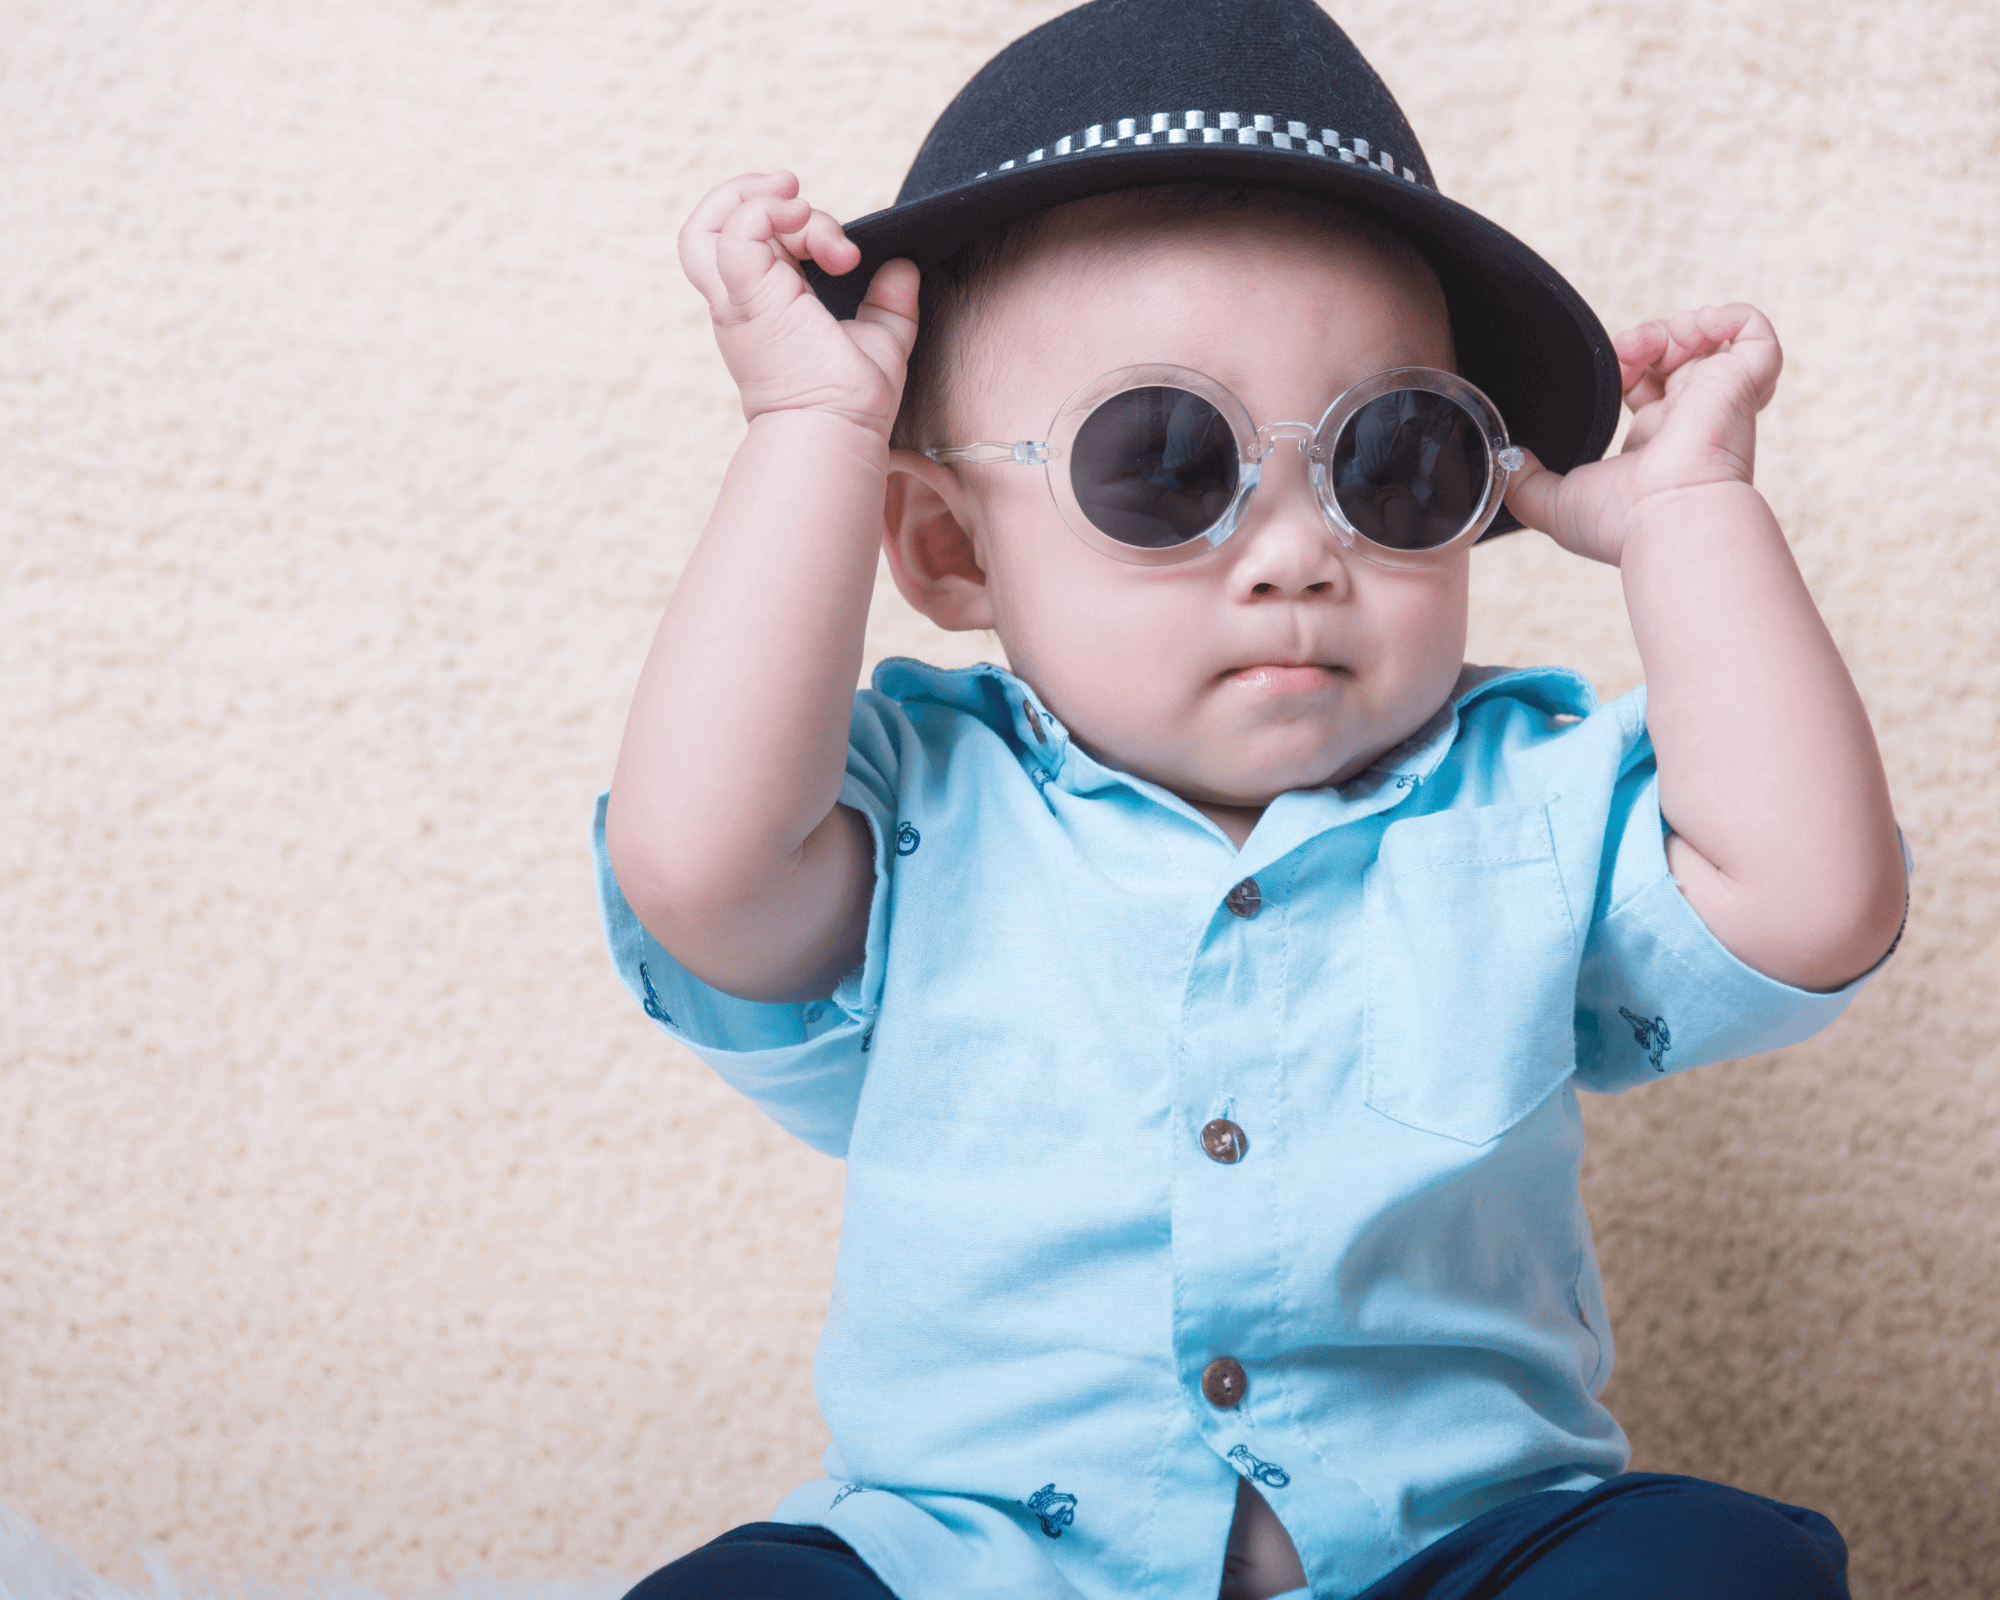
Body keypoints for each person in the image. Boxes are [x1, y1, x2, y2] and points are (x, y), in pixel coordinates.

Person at [596, 2, 1906, 1595]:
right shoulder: (919, 811)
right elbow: (696, 861)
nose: (1299, 553)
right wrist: (811, 431)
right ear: (949, 550)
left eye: (1396, 460)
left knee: (1714, 1563)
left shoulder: (1527, 799)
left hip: (1458, 1550)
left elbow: (1817, 898)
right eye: (1164, 462)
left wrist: (1696, 517)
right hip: (980, 1562)